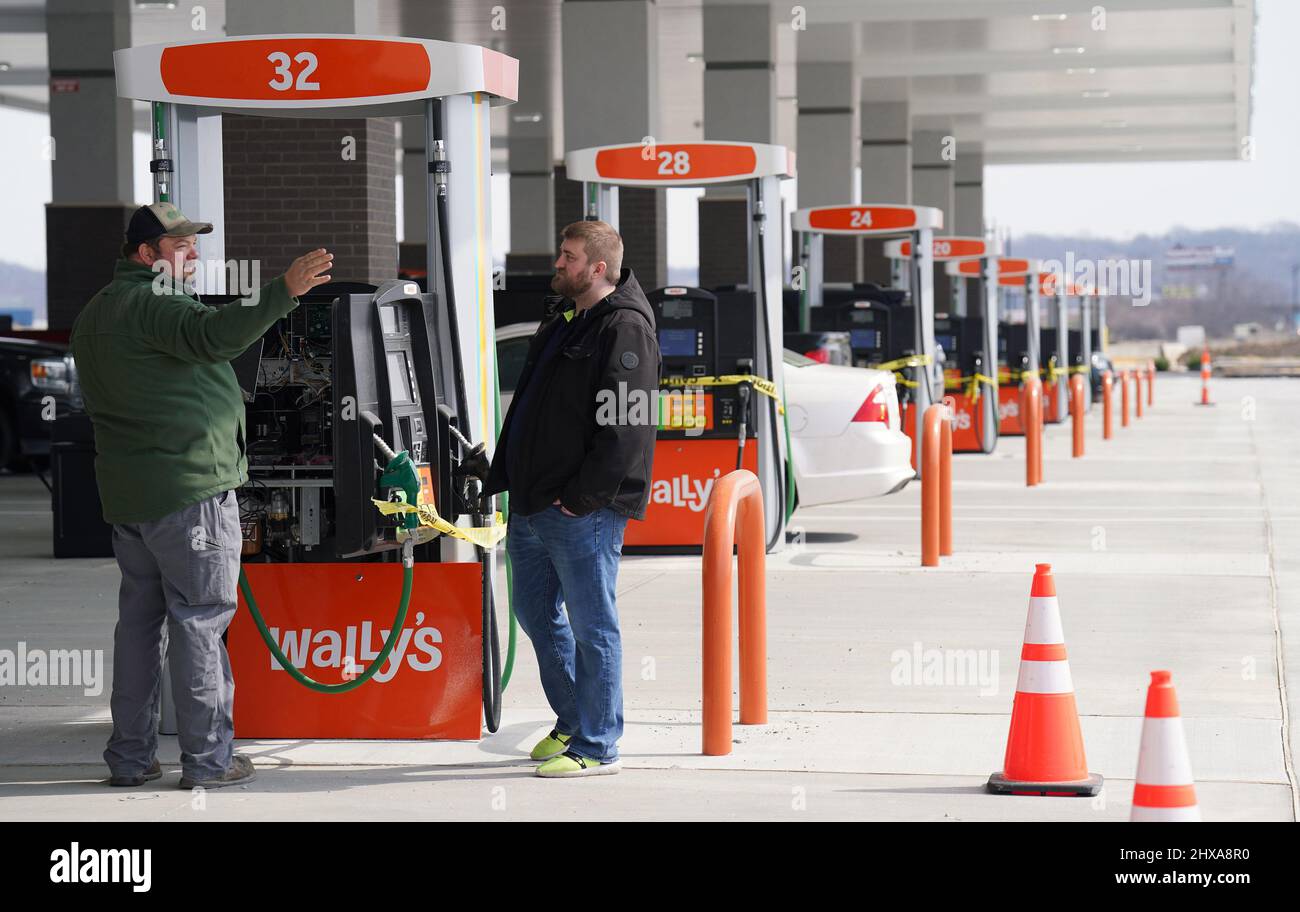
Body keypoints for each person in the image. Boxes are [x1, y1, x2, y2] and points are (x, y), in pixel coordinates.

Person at [71, 202, 333, 789]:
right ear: (146, 256)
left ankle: (132, 759)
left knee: (140, 628)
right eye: (181, 246)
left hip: (130, 497)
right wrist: (282, 292)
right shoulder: (156, 302)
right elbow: (215, 337)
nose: (194, 255)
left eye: (195, 244)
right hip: (188, 492)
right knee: (200, 622)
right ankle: (209, 762)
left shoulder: (96, 311)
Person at [486, 220, 660, 777]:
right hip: (534, 505)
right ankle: (572, 718)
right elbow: (533, 409)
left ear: (597, 268)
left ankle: (597, 742)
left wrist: (583, 499)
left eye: (568, 256)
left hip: (581, 511)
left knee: (593, 626)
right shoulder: (565, 319)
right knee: (535, 613)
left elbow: (629, 427)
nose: (558, 264)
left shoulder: (624, 328)